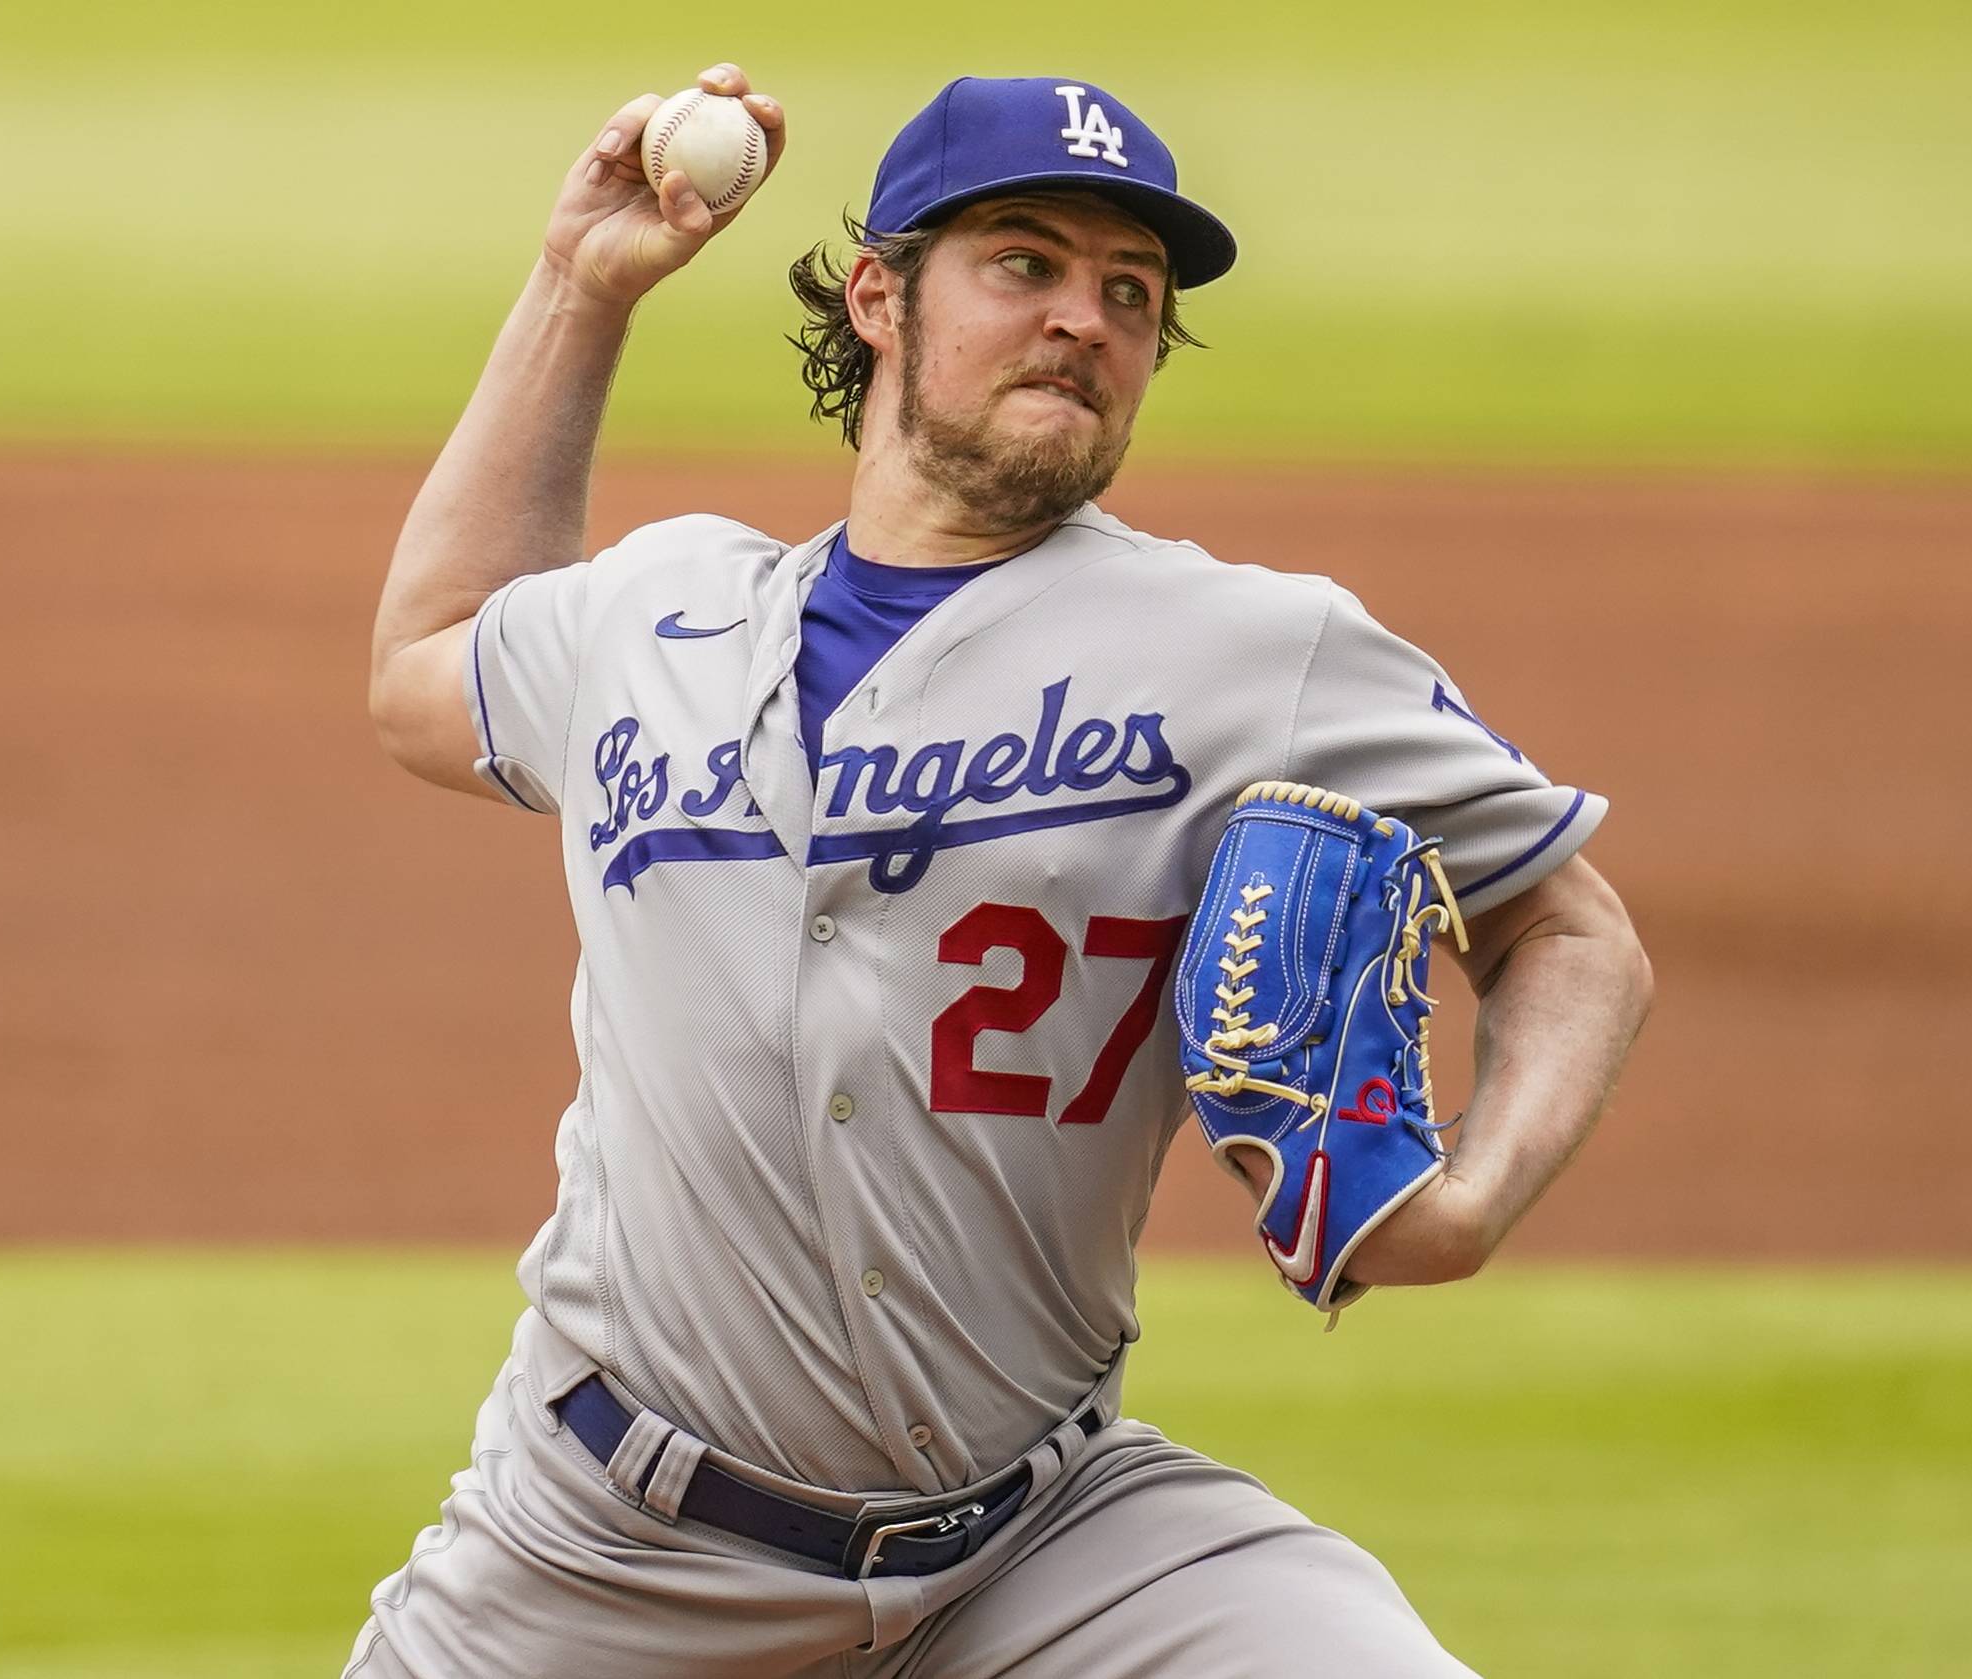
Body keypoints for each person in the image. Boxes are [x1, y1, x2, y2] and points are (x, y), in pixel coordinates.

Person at [352, 61, 1653, 1678]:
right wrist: (579, 287)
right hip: (599, 1558)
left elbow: (1567, 923)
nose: (1085, 321)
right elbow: (425, 668)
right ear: (882, 299)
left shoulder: (1258, 653)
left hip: (1049, 1550)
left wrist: (1465, 1202)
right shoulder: (657, 612)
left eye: (1131, 292)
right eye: (1024, 265)